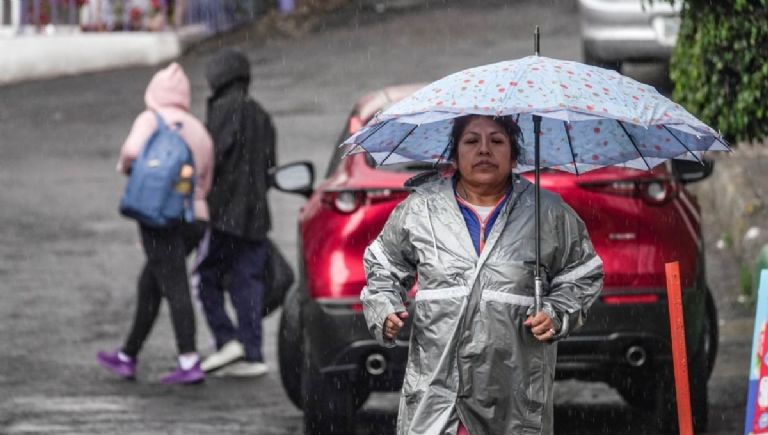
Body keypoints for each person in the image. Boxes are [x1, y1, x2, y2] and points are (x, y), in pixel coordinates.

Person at [361, 115, 604, 434]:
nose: (485, 150)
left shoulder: (547, 213)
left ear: (514, 155)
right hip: (437, 397)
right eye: (472, 141)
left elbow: (583, 273)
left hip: (514, 398)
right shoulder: (421, 210)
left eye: (498, 141)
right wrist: (385, 307)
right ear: (455, 153)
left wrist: (556, 311)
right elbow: (383, 266)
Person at [97, 62, 214, 384]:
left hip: (159, 217)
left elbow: (131, 153)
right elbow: (206, 179)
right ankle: (127, 355)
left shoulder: (151, 119)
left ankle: (189, 360)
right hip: (194, 219)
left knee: (173, 284)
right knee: (151, 283)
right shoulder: (198, 129)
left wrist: (132, 169)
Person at [196, 48, 276, 377]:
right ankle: (252, 353)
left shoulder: (222, 111)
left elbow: (210, 158)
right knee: (248, 283)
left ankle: (227, 340)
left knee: (206, 279)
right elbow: (270, 166)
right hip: (256, 216)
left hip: (224, 213)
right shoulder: (261, 115)